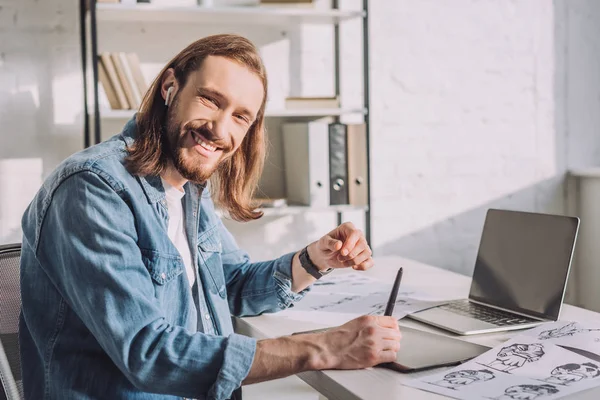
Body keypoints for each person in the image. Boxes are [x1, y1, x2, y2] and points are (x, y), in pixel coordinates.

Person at [19, 34, 402, 400]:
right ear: (170, 87)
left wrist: (316, 259)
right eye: (210, 100)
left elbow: (231, 285)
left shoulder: (186, 188)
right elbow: (147, 351)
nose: (219, 129)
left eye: (240, 117)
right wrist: (321, 347)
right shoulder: (92, 189)